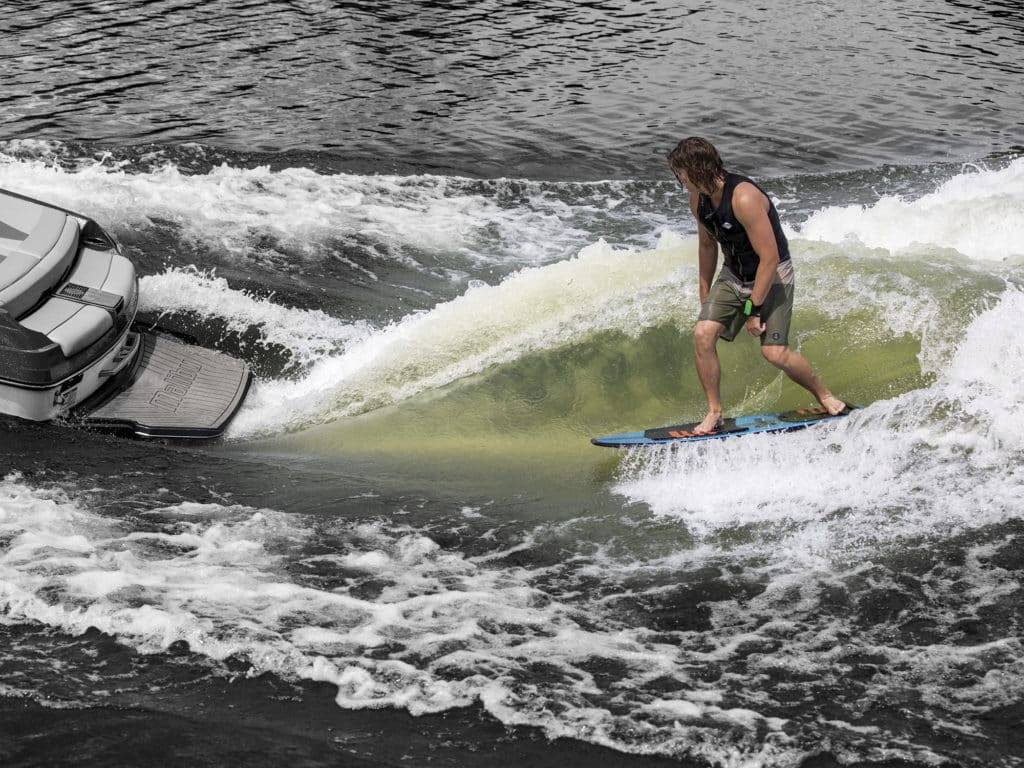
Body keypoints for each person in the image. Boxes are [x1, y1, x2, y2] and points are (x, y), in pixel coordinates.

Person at [667, 136, 846, 434]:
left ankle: (824, 394)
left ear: (697, 169)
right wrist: (704, 292)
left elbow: (770, 257)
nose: (679, 179)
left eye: (681, 172)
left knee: (774, 353)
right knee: (702, 334)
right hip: (734, 275)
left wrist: (754, 311)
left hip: (772, 275)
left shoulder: (744, 198)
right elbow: (707, 247)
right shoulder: (697, 199)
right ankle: (714, 412)